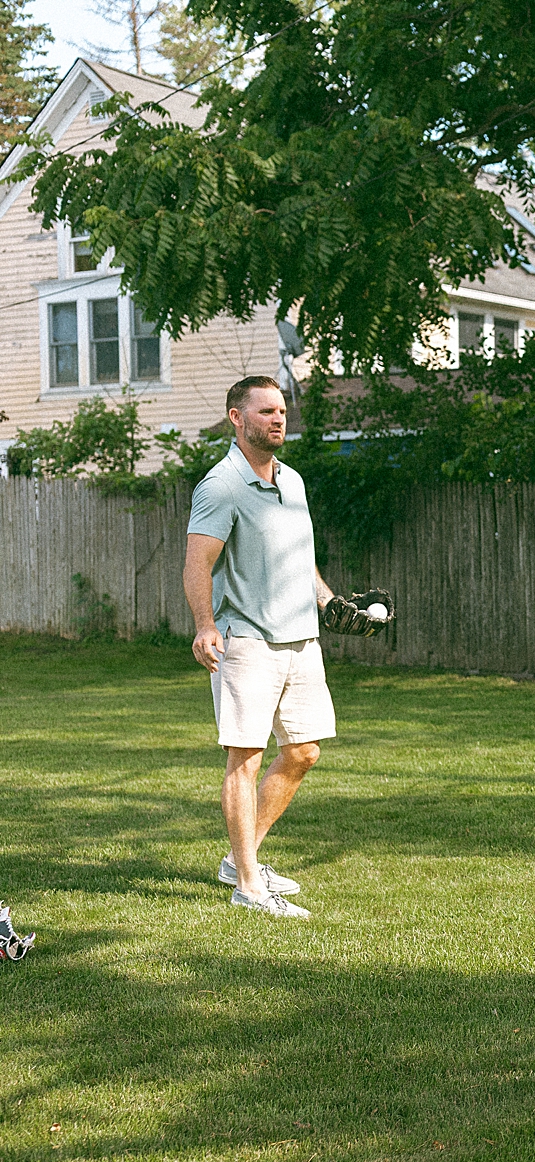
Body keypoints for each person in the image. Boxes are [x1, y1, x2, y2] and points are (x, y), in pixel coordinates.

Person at [182, 375, 341, 920]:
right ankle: (249, 884)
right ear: (236, 418)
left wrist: (329, 601)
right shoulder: (220, 486)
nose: (278, 419)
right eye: (266, 412)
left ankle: (237, 858)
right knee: (244, 759)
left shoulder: (291, 481)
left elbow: (300, 556)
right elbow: (198, 563)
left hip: (301, 639)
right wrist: (205, 625)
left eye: (282, 411)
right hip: (245, 640)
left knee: (304, 751)